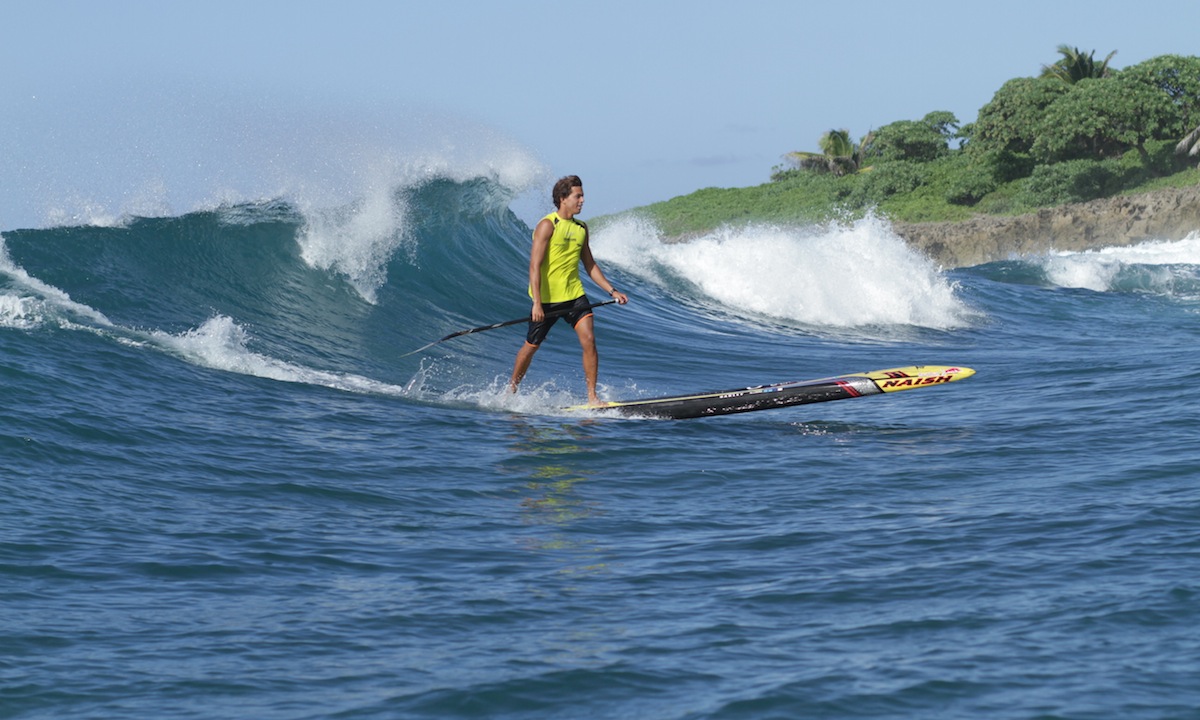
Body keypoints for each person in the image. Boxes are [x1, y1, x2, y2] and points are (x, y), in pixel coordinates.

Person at [509, 175, 628, 405]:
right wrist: (536, 302)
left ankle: (592, 397)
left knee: (589, 340)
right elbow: (534, 265)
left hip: (574, 296)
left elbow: (590, 265)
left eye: (583, 196)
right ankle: (511, 392)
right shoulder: (547, 225)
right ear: (563, 198)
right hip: (547, 299)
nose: (582, 200)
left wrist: (612, 291)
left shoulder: (581, 228)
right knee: (531, 346)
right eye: (578, 196)